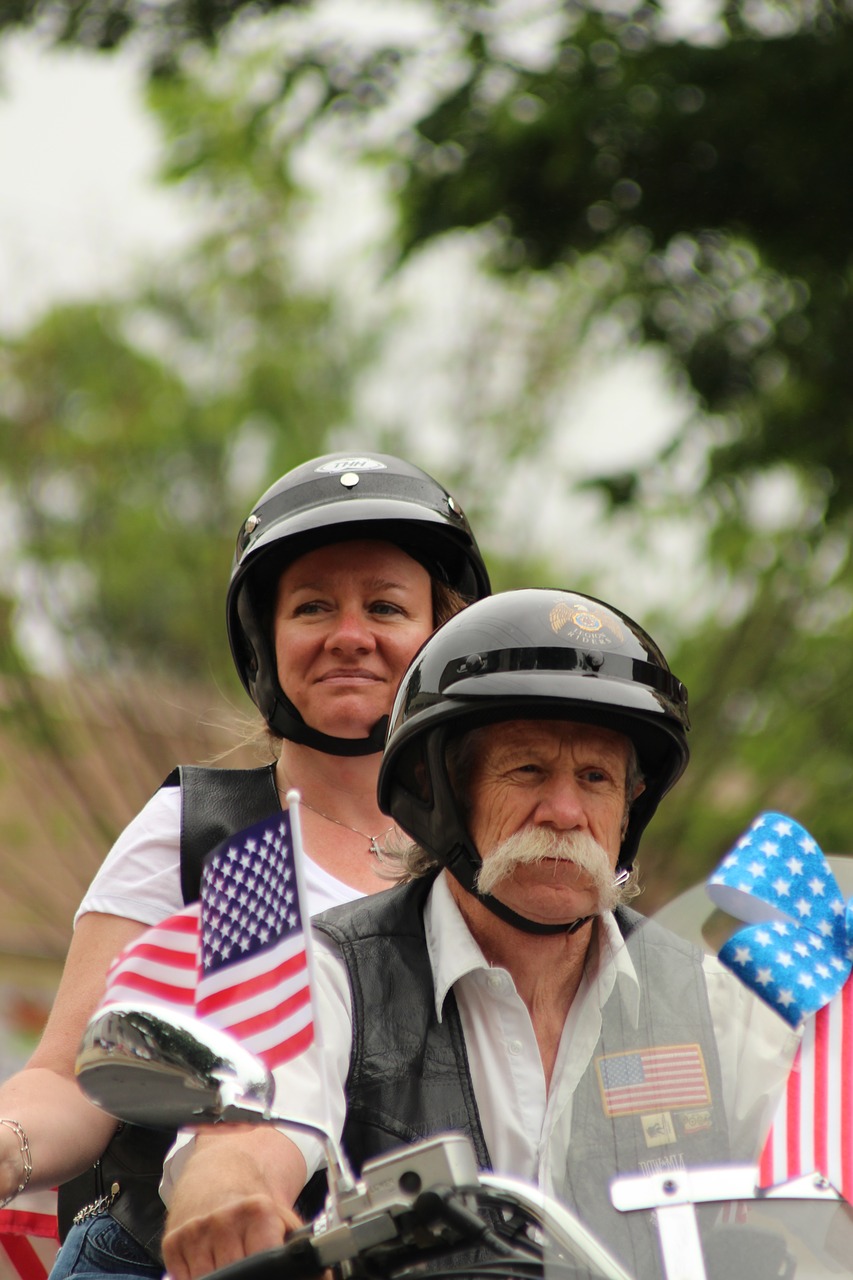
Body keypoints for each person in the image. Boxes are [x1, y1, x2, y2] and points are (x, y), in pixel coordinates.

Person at [160, 587, 800, 1280]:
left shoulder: (711, 999)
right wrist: (232, 1194)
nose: (564, 810)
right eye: (528, 769)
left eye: (594, 777)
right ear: (443, 792)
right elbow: (249, 1131)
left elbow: (817, 1169)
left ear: (626, 810)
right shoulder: (330, 971)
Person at [0, 451, 490, 1278]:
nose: (349, 635)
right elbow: (72, 1078)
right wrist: (8, 1145)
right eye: (311, 606)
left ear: (442, 635)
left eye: (385, 605)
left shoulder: (487, 853)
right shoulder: (207, 833)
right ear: (265, 641)